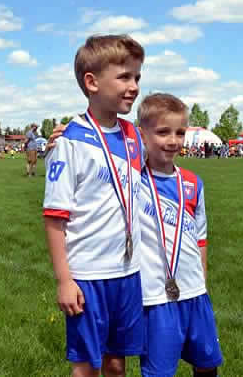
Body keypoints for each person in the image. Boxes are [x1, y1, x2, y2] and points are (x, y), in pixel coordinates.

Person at [42, 34, 145, 377]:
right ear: (91, 82)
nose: (133, 86)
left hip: (128, 272)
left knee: (117, 363)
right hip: (88, 276)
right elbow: (55, 218)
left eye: (137, 78)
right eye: (124, 77)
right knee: (87, 366)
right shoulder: (70, 142)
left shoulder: (133, 136)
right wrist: (64, 280)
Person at [135, 93, 222, 377]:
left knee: (207, 365)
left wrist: (203, 281)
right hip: (156, 297)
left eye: (179, 132)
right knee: (159, 372)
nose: (173, 140)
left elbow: (201, 238)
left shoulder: (193, 182)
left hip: (195, 291)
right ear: (143, 135)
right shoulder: (133, 180)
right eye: (163, 132)